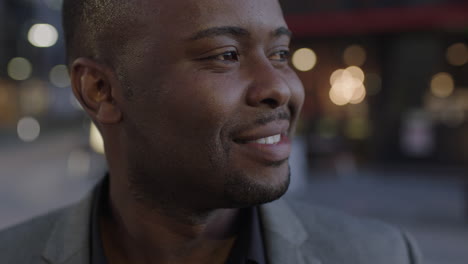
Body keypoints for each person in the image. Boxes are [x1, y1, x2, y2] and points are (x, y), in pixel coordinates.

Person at [0, 0, 421, 263]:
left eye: (280, 53)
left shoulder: (382, 255)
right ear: (100, 91)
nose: (280, 87)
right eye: (226, 54)